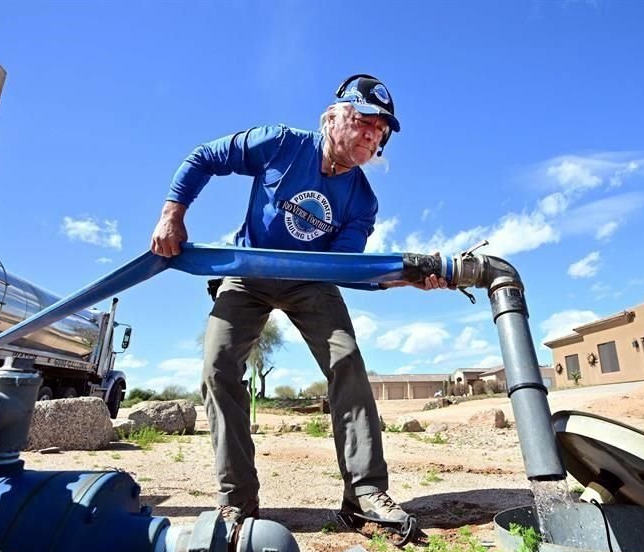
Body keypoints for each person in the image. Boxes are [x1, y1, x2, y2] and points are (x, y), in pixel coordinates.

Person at [150, 74, 447, 527]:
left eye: (381, 129)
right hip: (247, 273)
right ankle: (238, 500)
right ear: (334, 116)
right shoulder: (281, 144)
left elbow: (345, 268)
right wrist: (173, 214)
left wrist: (406, 278)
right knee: (217, 366)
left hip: (311, 281)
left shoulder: (362, 201)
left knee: (346, 361)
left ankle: (365, 492)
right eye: (364, 120)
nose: (373, 133)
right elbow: (204, 157)